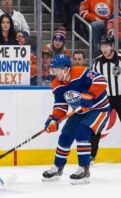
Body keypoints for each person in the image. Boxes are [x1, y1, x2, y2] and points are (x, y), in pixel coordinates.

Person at [42, 54, 110, 185]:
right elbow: (61, 105)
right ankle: (57, 168)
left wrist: (90, 95)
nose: (54, 72)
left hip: (98, 109)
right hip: (79, 112)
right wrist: (54, 119)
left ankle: (84, 170)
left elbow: (101, 80)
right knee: (65, 136)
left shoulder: (80, 72)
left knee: (82, 131)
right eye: (53, 69)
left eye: (56, 69)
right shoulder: (56, 84)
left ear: (66, 69)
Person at [90, 34, 121, 163]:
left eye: (107, 45)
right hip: (103, 99)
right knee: (96, 127)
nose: (105, 48)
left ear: (113, 46)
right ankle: (91, 156)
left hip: (120, 97)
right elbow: (91, 81)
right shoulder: (96, 62)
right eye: (102, 46)